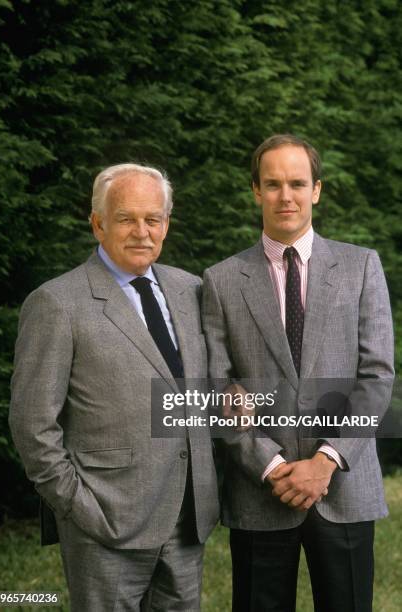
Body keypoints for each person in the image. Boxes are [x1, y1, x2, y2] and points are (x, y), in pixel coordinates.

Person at [10, 163, 219, 612]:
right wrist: (80, 507)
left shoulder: (192, 290)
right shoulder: (57, 303)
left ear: (166, 225)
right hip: (104, 520)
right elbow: (32, 426)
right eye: (126, 218)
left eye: (153, 219)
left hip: (186, 520)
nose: (142, 231)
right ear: (98, 224)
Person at [202, 134, 394, 612]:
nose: (284, 196)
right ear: (255, 191)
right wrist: (271, 467)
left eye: (296, 183)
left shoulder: (361, 266)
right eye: (272, 184)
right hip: (262, 489)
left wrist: (326, 461)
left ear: (317, 190)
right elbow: (218, 385)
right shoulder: (221, 280)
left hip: (344, 486)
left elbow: (376, 376)